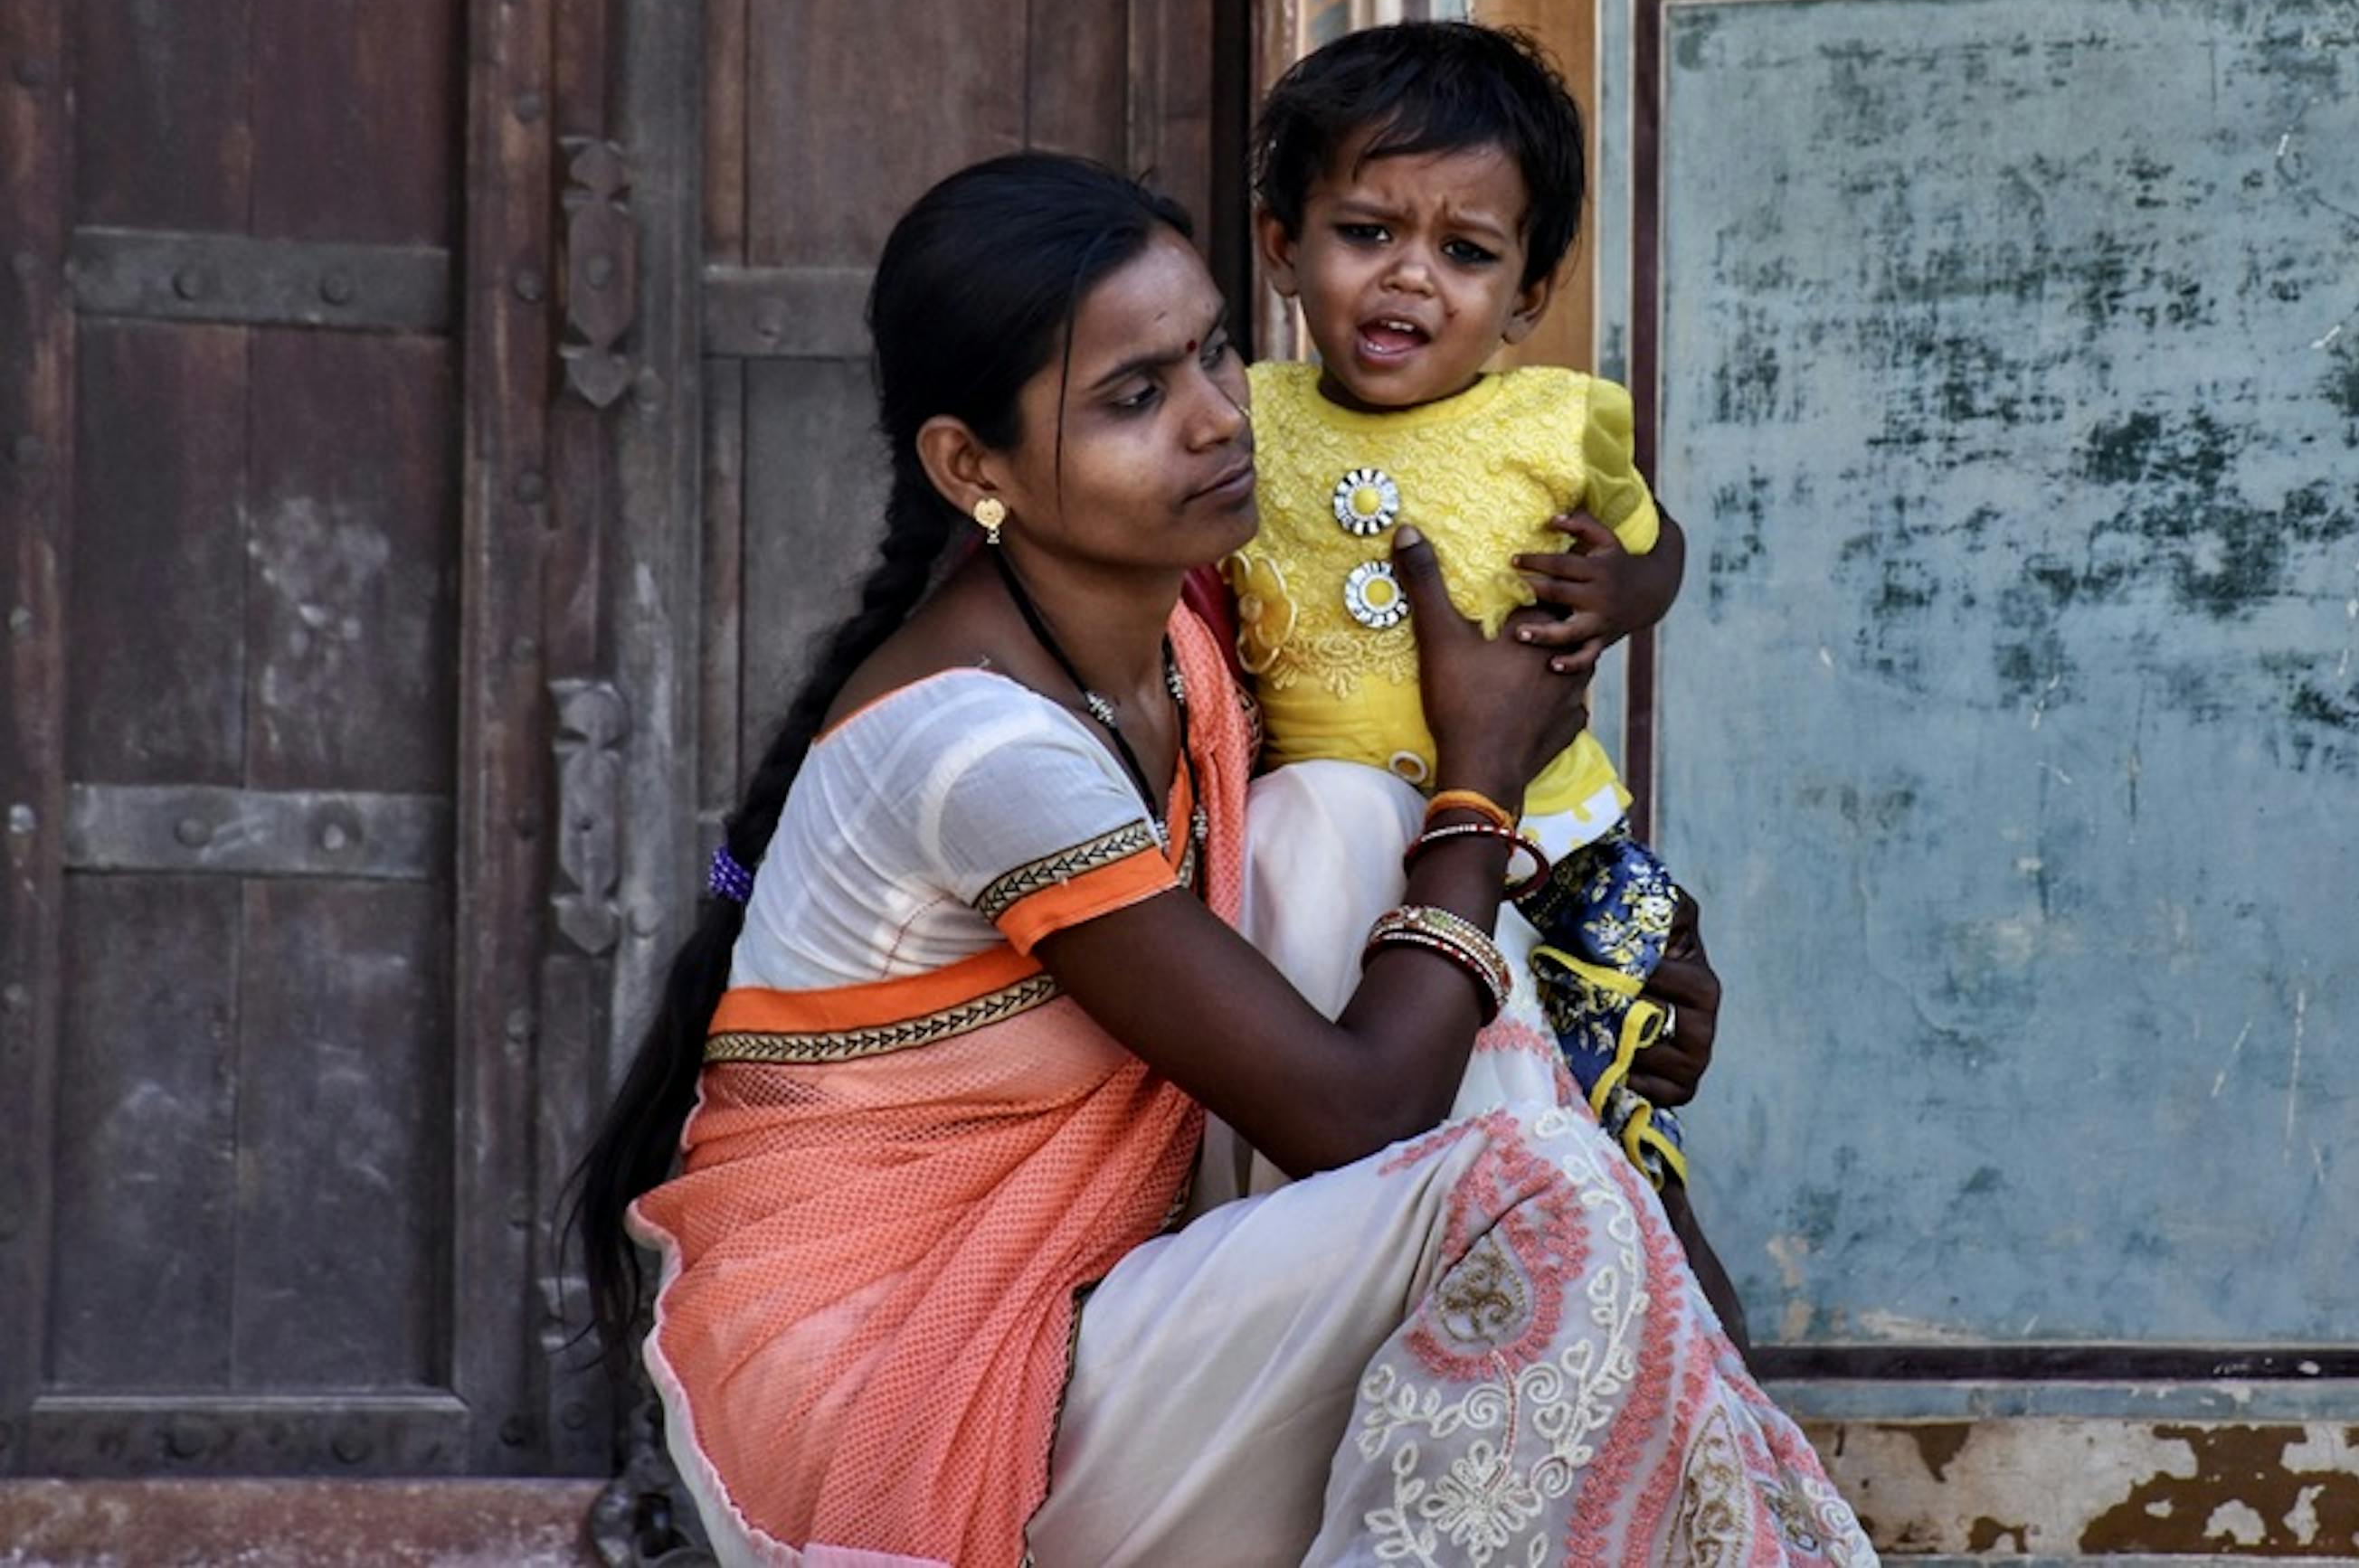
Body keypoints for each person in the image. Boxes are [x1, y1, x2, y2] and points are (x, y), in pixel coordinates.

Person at [570, 153, 1872, 1567]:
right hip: (907, 1384)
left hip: (1095, 1283)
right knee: (1533, 1191)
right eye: (1135, 398)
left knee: (1347, 817)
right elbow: (1357, 1113)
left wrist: (1608, 986)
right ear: (971, 467)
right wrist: (1481, 776)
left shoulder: (1182, 630)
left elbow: (1585, 613)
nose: (1216, 420)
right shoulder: (984, 753)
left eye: (1212, 352)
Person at [1232, 21, 1737, 1318]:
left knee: (1609, 1122)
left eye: (1464, 253)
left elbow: (1656, 542)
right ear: (1282, 244)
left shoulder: (1550, 425)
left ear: (1522, 294)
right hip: (1338, 870)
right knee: (1416, 1166)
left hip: (1557, 843)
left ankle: (1703, 1380)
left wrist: (1624, 594)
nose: (1410, 280)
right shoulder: (1240, 422)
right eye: (1366, 234)